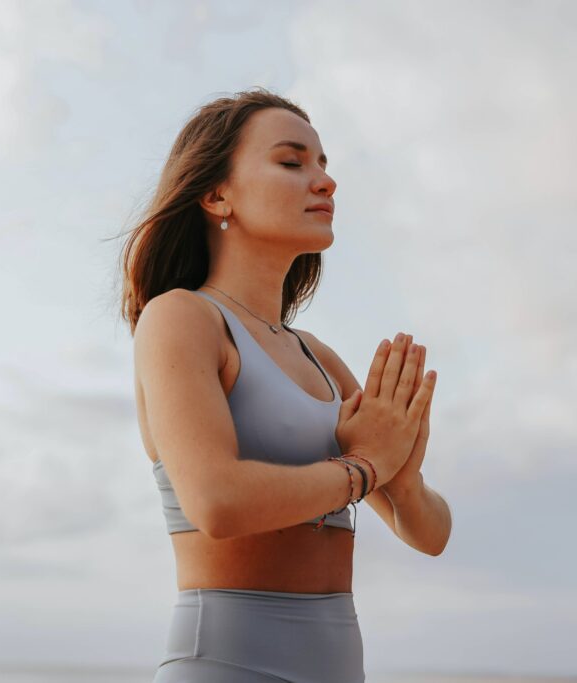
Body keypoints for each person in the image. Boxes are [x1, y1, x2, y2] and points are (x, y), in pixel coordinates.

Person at [116, 87, 444, 682]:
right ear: (217, 194)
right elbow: (217, 502)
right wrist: (367, 468)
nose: (325, 181)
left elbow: (429, 533)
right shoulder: (182, 318)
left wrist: (406, 473)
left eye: (323, 164)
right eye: (292, 162)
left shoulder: (317, 357)